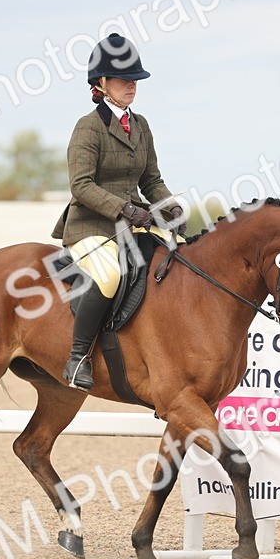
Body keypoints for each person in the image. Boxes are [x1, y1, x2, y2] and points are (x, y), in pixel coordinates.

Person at [51, 33, 184, 390]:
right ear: (101, 83)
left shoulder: (141, 126)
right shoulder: (88, 126)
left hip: (133, 222)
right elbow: (81, 185)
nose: (132, 85)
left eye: (135, 79)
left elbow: (152, 180)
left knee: (180, 256)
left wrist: (170, 207)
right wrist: (123, 208)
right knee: (109, 276)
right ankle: (78, 357)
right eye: (124, 79)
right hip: (91, 225)